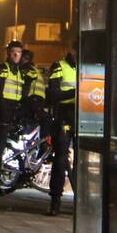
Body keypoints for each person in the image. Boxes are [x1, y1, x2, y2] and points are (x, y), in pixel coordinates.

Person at [0, 40, 37, 194]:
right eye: (13, 51)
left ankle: (21, 175)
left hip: (14, 113)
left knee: (19, 145)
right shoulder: (3, 69)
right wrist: (4, 113)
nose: (16, 54)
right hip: (4, 113)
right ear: (8, 53)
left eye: (19, 52)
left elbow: (23, 94)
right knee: (0, 148)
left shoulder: (20, 72)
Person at [46, 44, 77, 216]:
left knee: (83, 162)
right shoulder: (59, 66)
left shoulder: (89, 67)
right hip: (64, 116)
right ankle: (55, 200)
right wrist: (74, 92)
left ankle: (81, 202)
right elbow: (53, 94)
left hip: (83, 116)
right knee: (60, 159)